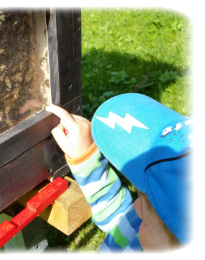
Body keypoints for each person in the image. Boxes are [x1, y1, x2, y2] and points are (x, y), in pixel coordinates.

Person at [46, 93, 204, 260]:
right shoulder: (154, 235)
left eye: (147, 222)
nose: (135, 209)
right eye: (142, 199)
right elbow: (118, 219)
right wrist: (85, 157)